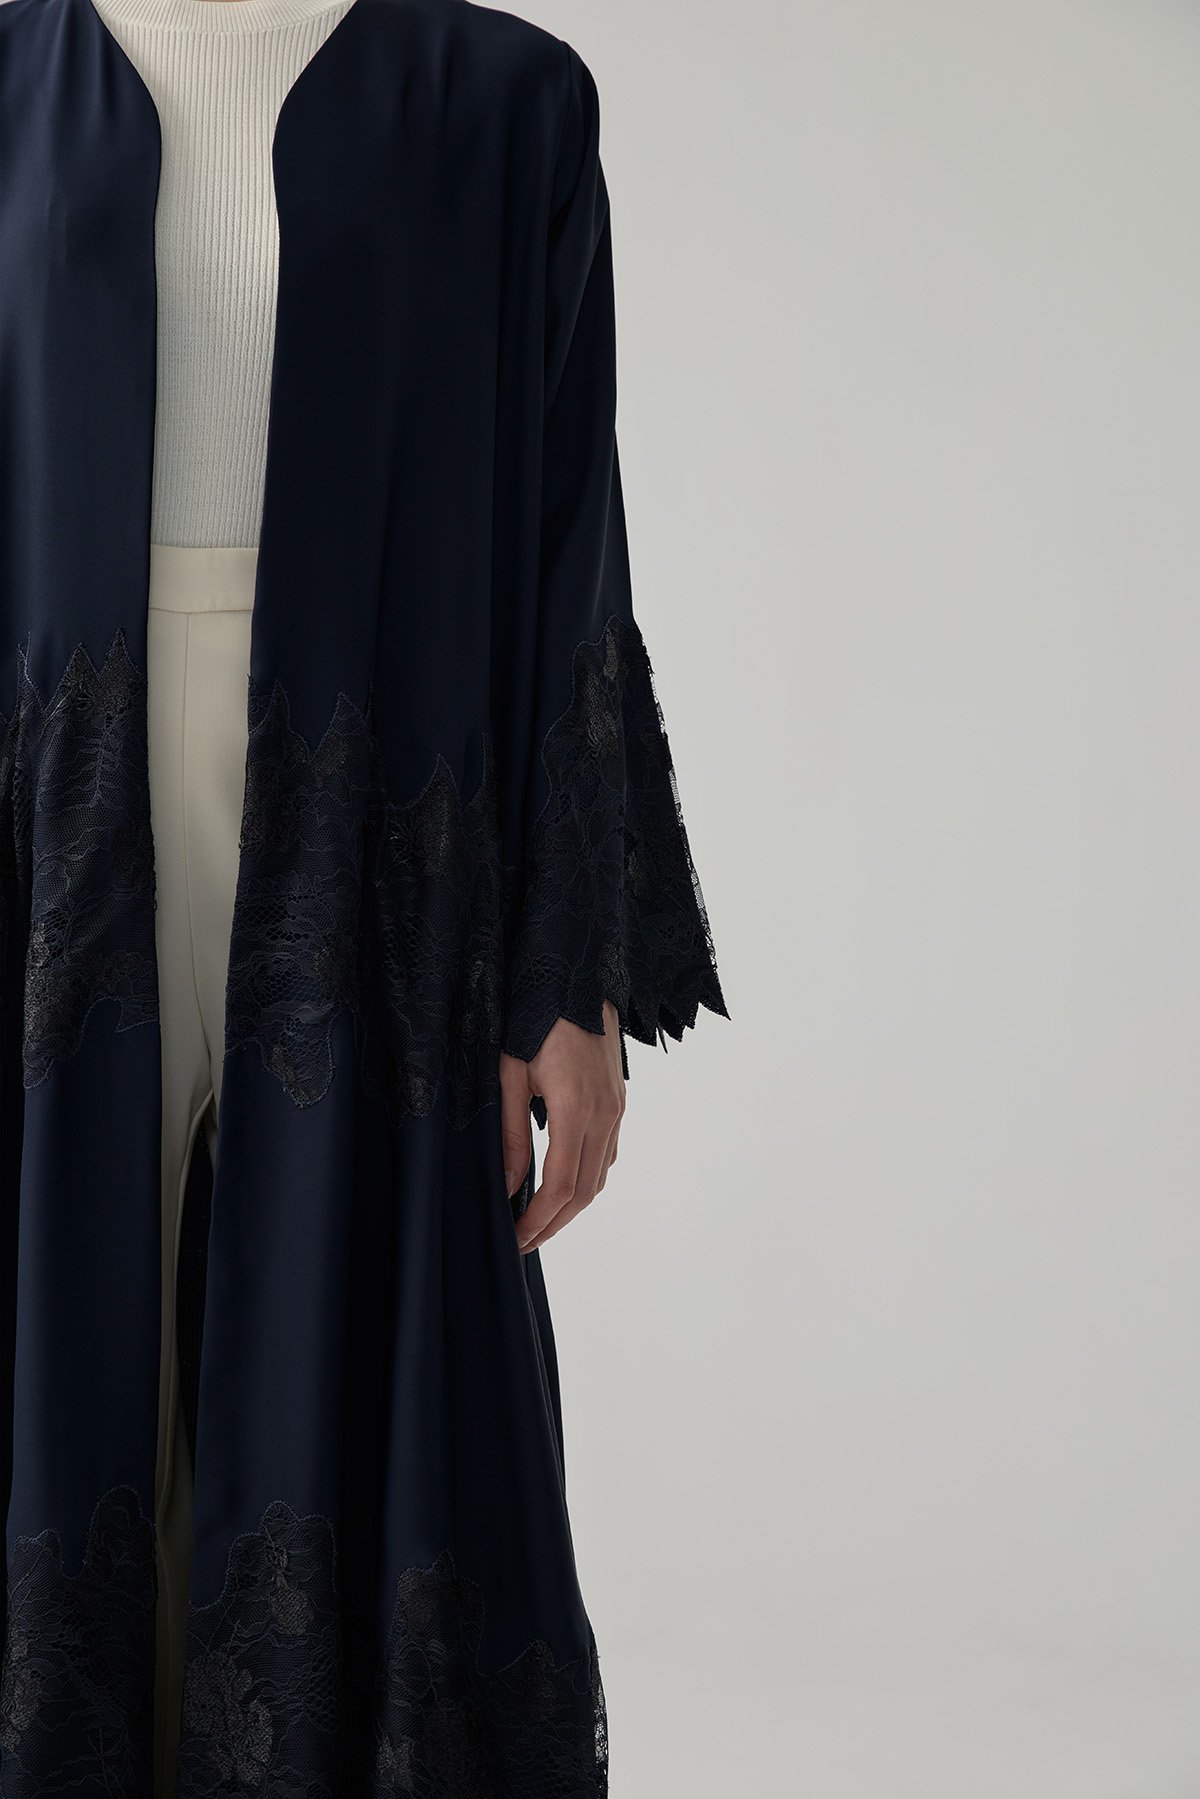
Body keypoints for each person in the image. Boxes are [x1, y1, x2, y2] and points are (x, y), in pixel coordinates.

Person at [0, 0, 728, 1791]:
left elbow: (570, 535)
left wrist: (571, 969)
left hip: (384, 828)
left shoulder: (506, 104)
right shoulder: (11, 79)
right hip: (52, 818)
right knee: (65, 1361)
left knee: (349, 1355)